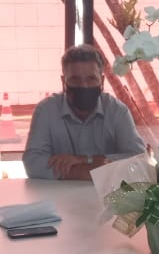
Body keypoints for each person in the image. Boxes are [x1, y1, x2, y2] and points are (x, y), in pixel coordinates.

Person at [23, 44, 146, 180]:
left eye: (91, 79)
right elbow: (32, 163)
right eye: (75, 80)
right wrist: (91, 170)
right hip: (58, 197)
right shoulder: (46, 111)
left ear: (102, 81)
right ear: (64, 82)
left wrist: (83, 159)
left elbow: (139, 159)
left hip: (108, 197)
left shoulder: (117, 111)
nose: (84, 86)